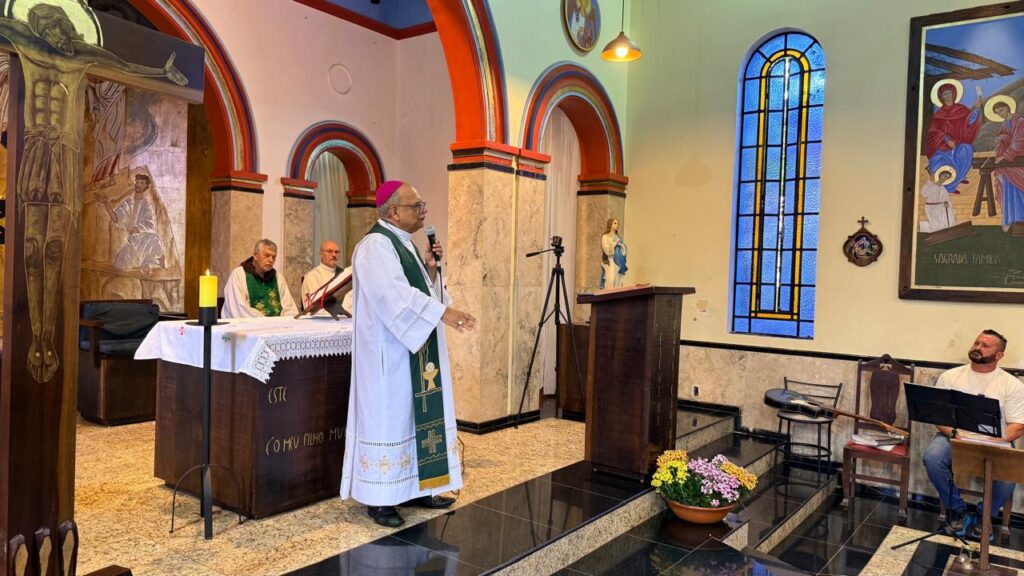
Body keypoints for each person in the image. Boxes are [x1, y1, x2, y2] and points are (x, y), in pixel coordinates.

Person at [340, 180, 477, 528]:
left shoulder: (405, 244)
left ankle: (417, 487)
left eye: (422, 204)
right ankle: (380, 499)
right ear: (393, 212)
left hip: (414, 353)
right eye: (416, 206)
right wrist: (443, 312)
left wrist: (430, 269)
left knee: (415, 421)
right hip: (390, 358)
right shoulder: (374, 246)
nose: (422, 211)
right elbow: (392, 297)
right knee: (390, 421)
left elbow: (419, 291)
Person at [922, 330, 1024, 538]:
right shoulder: (951, 376)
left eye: (985, 346)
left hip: (996, 441)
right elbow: (939, 416)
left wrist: (996, 440)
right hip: (955, 436)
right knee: (932, 457)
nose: (978, 347)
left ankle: (983, 515)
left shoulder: (1011, 384)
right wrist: (955, 435)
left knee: (1008, 479)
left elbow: (1018, 426)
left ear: (999, 355)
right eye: (977, 343)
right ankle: (957, 510)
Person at [98, 174, 165, 274]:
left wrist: (138, 228)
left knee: (153, 240)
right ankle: (147, 263)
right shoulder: (127, 203)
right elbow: (115, 218)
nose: (138, 185)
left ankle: (152, 262)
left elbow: (149, 223)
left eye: (142, 183)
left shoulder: (146, 205)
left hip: (144, 237)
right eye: (137, 182)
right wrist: (105, 203)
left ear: (146, 186)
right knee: (120, 264)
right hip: (133, 240)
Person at [925, 81, 983, 194]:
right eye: (944, 94)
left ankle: (957, 178)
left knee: (967, 149)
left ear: (954, 94)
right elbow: (934, 132)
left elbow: (969, 122)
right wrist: (947, 140)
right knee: (940, 162)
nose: (947, 96)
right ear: (941, 97)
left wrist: (976, 108)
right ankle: (948, 187)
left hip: (959, 143)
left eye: (949, 93)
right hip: (942, 145)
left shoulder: (961, 109)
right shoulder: (939, 114)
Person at [222, 239, 298, 318]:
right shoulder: (238, 275)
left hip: (277, 325)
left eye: (273, 257)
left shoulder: (278, 278)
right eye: (267, 255)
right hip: (249, 324)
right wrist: (265, 321)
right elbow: (238, 309)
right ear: (255, 255)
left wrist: (287, 320)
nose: (271, 260)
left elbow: (289, 307)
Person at [990, 98, 1024, 232]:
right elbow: (1007, 138)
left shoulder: (1020, 121)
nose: (1001, 114)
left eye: (1002, 110)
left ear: (1008, 108)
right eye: (998, 112)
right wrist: (1000, 138)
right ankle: (1010, 219)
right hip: (1008, 165)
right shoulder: (1004, 124)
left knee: (1019, 189)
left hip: (1019, 163)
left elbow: (1019, 142)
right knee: (1007, 189)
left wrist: (1004, 156)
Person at [301, 240, 353, 315]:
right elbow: (313, 308)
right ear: (321, 254)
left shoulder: (344, 275)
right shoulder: (312, 277)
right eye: (329, 251)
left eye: (336, 252)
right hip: (323, 320)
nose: (334, 255)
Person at [919, 167, 957, 233]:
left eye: (947, 177)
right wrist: (931, 183)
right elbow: (923, 194)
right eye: (944, 176)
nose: (945, 178)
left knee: (947, 220)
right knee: (935, 225)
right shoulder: (930, 185)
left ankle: (948, 233)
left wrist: (947, 204)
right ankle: (920, 226)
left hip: (941, 207)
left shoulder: (943, 189)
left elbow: (946, 198)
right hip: (932, 208)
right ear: (940, 175)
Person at [600, 217, 627, 289]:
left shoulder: (618, 237)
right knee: (611, 280)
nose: (617, 225)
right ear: (610, 225)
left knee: (617, 281)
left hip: (619, 262)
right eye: (615, 223)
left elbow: (624, 250)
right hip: (611, 261)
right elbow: (606, 249)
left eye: (618, 224)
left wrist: (621, 246)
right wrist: (615, 243)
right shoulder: (605, 237)